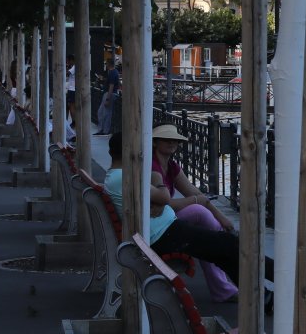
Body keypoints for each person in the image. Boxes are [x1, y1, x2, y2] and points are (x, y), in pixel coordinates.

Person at [102, 131, 270, 296]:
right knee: (231, 245)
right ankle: (275, 277)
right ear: (131, 151)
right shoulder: (125, 177)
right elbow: (164, 196)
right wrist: (157, 179)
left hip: (164, 231)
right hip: (163, 235)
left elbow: (160, 199)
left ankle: (261, 296)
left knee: (225, 252)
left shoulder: (116, 176)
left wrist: (159, 200)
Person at [151, 123, 240, 302]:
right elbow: (164, 203)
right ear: (154, 142)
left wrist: (220, 216)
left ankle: (223, 286)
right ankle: (222, 287)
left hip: (164, 219)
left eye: (175, 140)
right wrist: (196, 201)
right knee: (200, 213)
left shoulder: (171, 166)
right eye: (166, 139)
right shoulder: (152, 166)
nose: (171, 143)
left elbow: (195, 193)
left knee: (205, 218)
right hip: (157, 223)